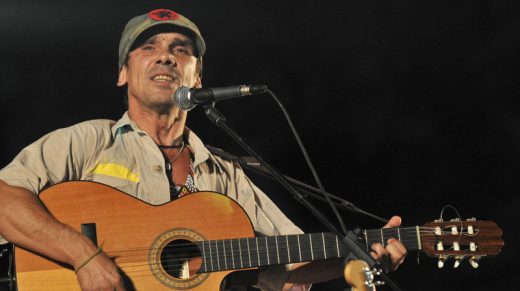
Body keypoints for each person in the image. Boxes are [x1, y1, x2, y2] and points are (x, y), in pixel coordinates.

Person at [0, 9, 406, 291]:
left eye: (181, 49)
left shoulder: (225, 173)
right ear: (123, 73)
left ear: (197, 77)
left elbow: (293, 258)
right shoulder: (86, 142)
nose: (165, 55)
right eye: (147, 48)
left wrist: (362, 254)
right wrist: (84, 257)